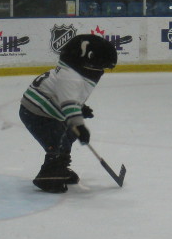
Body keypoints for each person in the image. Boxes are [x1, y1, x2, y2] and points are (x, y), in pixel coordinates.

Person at [19, 34, 118, 193]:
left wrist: (81, 108)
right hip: (37, 113)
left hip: (49, 111)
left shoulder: (75, 73)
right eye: (102, 65)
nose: (101, 70)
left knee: (67, 136)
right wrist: (79, 124)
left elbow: (70, 97)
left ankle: (58, 168)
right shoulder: (71, 77)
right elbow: (69, 102)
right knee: (58, 142)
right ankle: (48, 177)